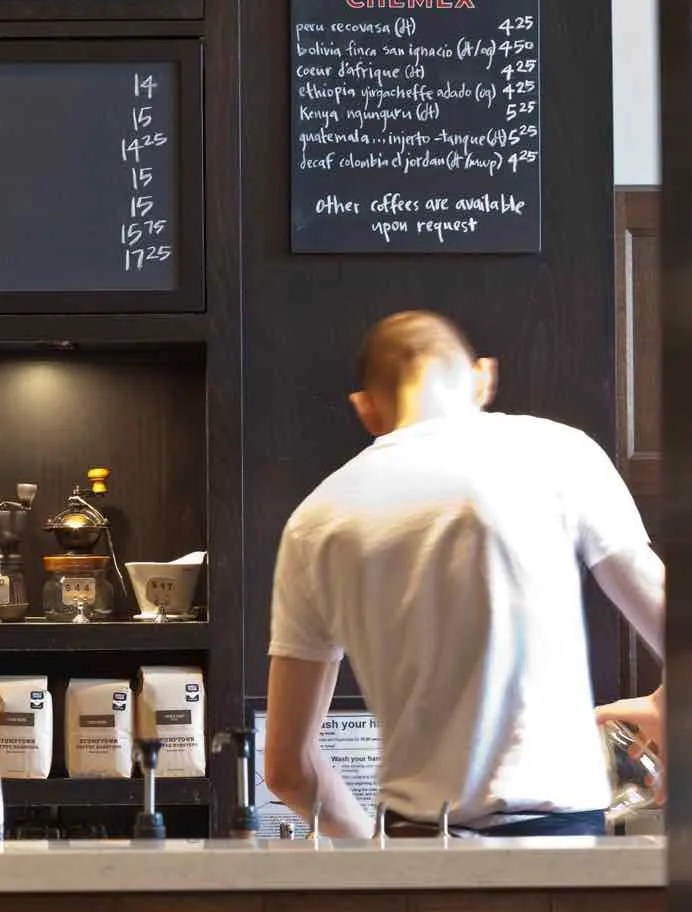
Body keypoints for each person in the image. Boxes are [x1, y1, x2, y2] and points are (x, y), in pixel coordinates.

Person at [262, 310, 666, 837]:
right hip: (561, 848)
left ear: (367, 410)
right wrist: (666, 703)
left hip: (415, 851)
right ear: (481, 378)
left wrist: (374, 853)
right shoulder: (560, 453)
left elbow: (288, 771)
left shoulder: (313, 524)